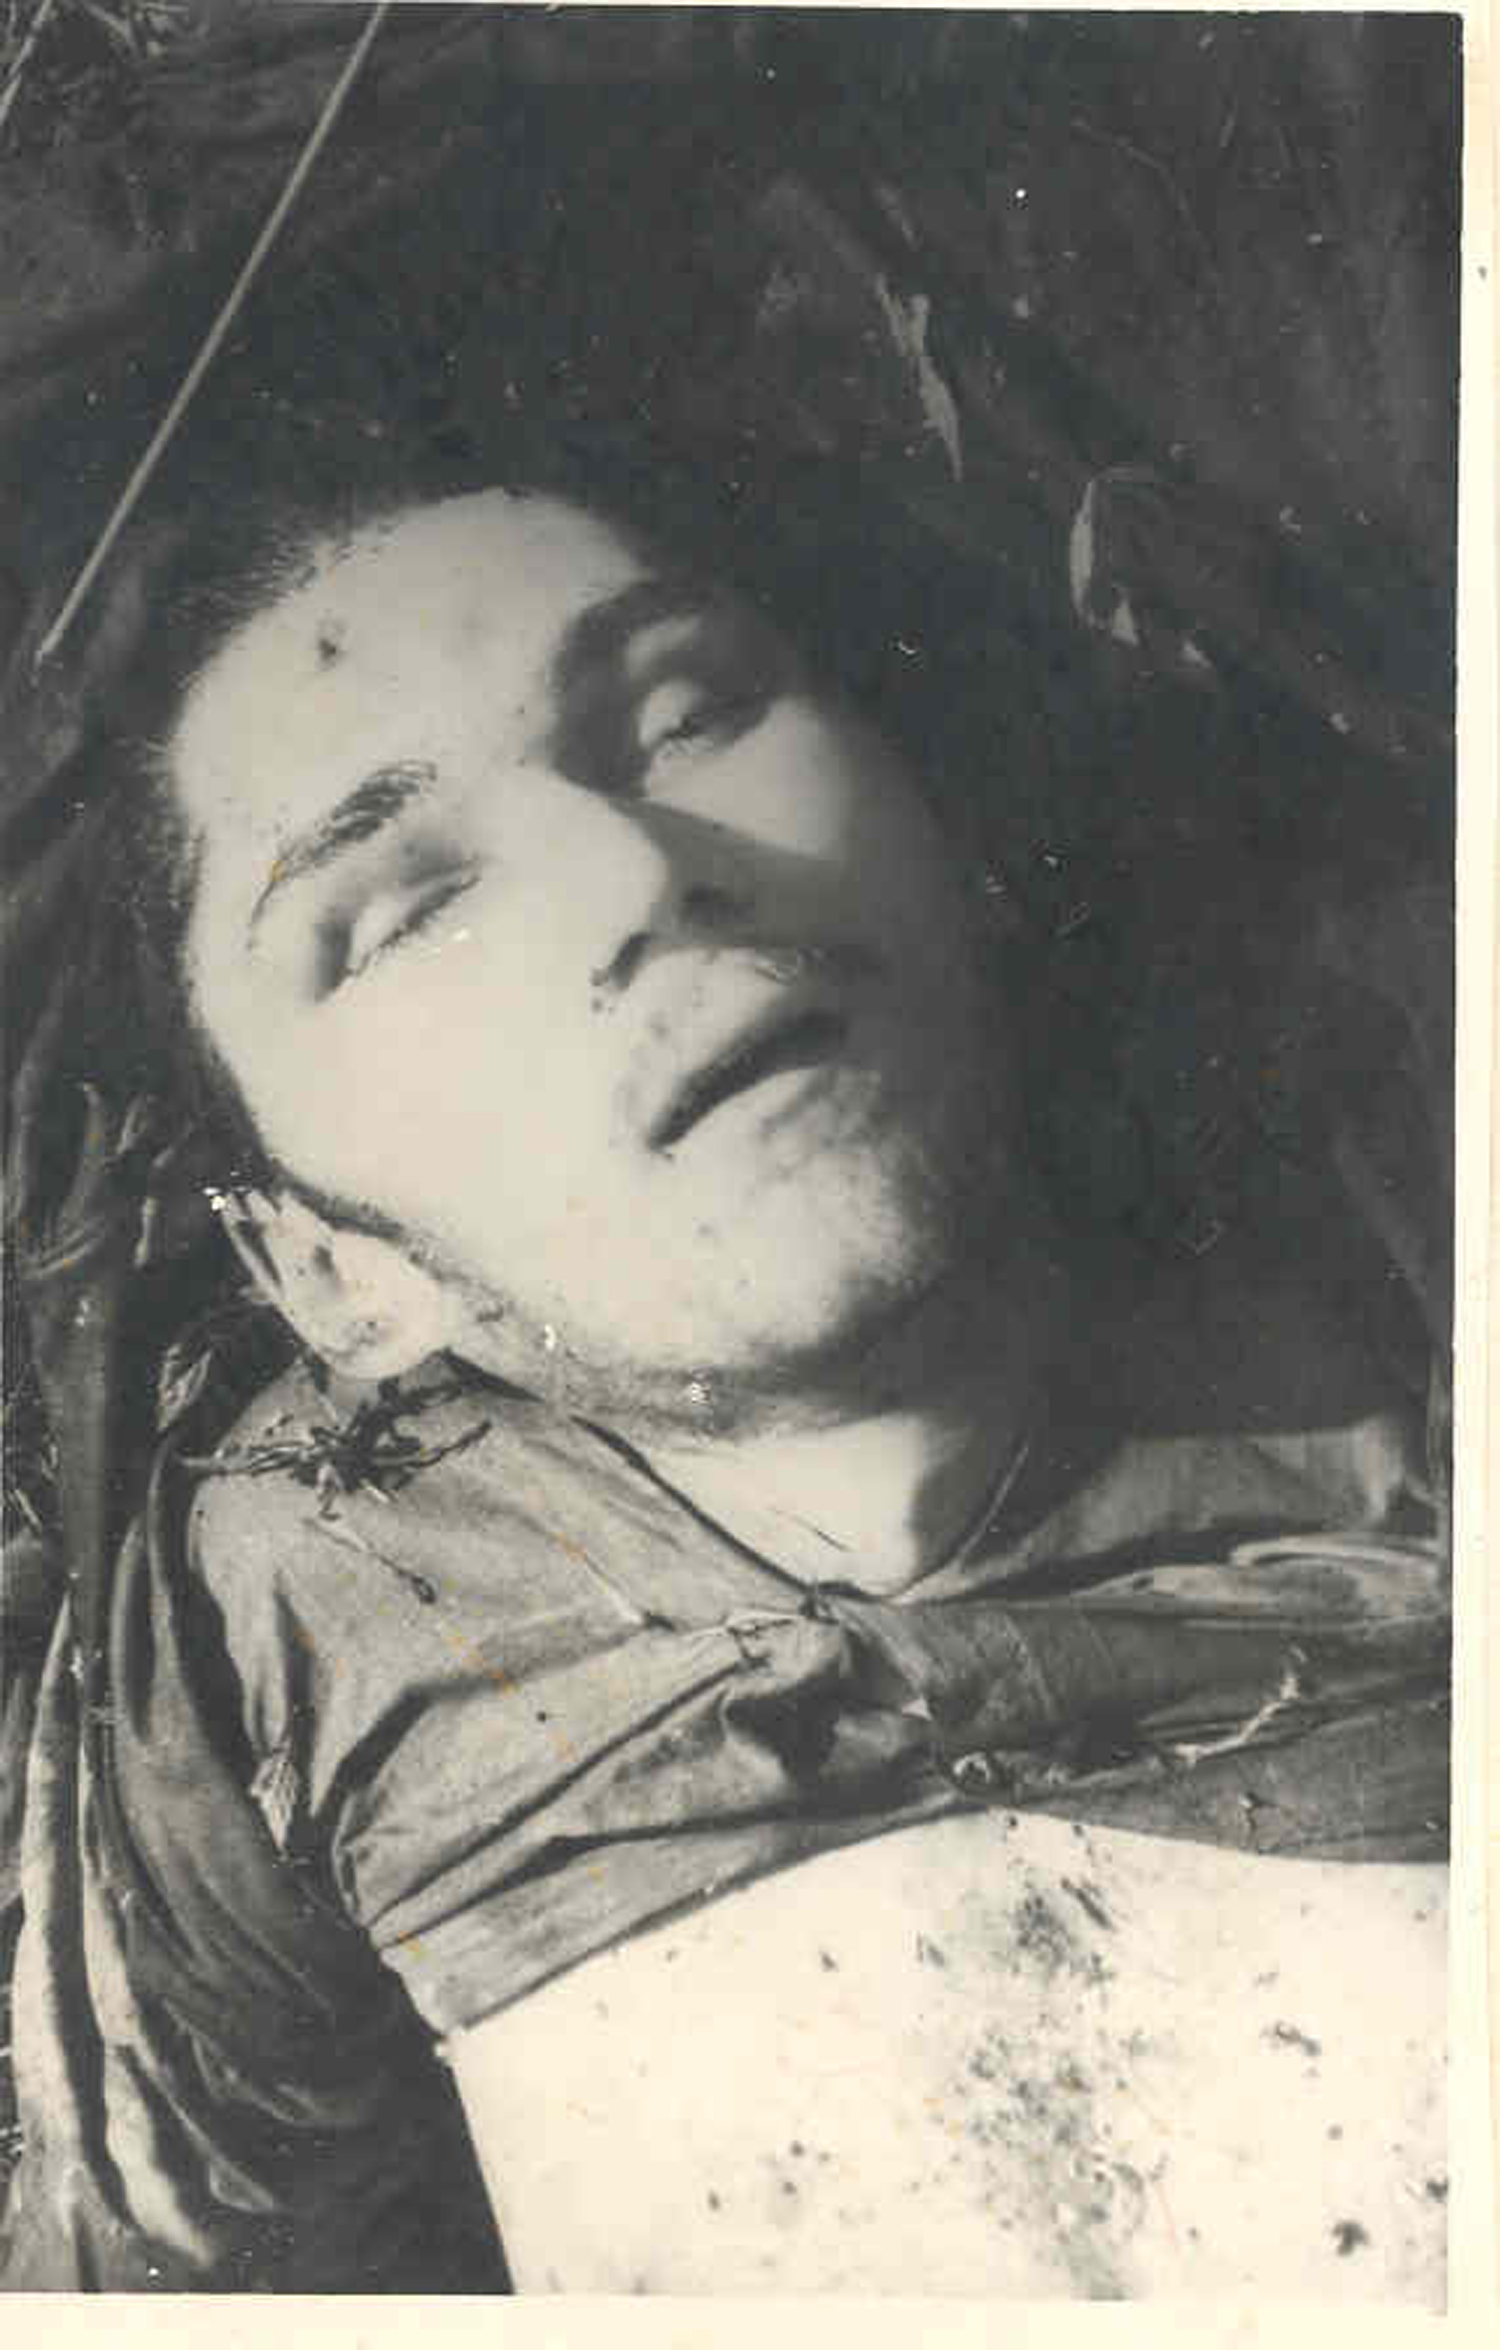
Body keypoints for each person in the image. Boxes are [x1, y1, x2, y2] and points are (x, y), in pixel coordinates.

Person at [1, 446, 1450, 2296]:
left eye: (687, 717)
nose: (636, 874)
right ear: (329, 1272)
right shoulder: (275, 1636)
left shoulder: (1410, 1251)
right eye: (403, 906)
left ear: (946, 820)